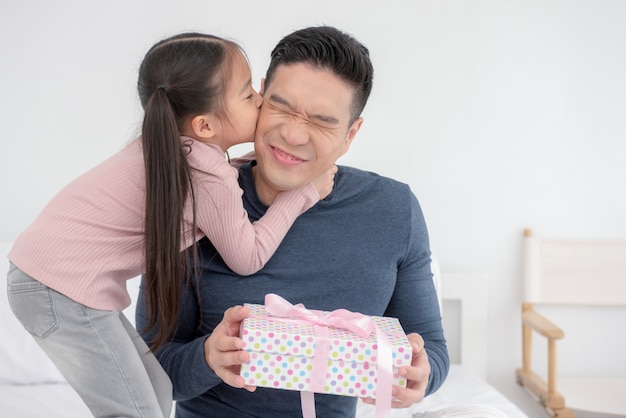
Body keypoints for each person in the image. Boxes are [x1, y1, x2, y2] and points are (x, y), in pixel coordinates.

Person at [6, 32, 335, 418]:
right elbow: (249, 256)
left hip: (49, 280)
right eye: (248, 94)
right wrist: (301, 193)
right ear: (205, 126)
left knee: (158, 389)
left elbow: (208, 187)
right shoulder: (205, 172)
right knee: (135, 411)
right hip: (56, 288)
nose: (261, 100)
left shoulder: (173, 146)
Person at [137, 26, 450, 418]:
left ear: (351, 134)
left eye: (321, 121)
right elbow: (148, 371)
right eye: (281, 107)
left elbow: (433, 349)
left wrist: (421, 374)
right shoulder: (190, 200)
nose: (292, 133)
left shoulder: (392, 210)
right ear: (260, 97)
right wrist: (207, 358)